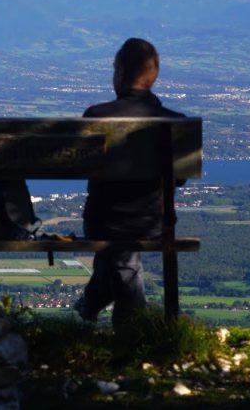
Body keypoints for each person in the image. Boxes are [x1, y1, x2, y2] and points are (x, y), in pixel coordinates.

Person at [74, 37, 186, 329]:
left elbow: (81, 166)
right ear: (153, 76)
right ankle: (110, 317)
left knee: (119, 257)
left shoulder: (96, 117)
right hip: (154, 222)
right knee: (122, 259)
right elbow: (181, 177)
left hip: (102, 220)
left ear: (120, 72)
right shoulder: (175, 123)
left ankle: (111, 316)